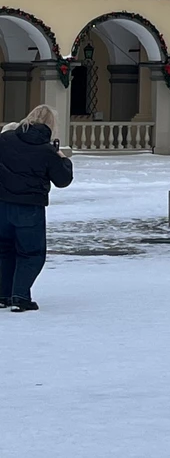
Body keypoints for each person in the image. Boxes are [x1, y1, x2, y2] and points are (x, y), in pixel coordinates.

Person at [0, 105, 74, 311]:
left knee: (4, 250)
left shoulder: (4, 140)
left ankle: (3, 295)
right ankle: (20, 296)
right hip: (29, 208)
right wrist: (63, 159)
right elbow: (62, 180)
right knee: (31, 253)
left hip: (2, 204)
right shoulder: (47, 150)